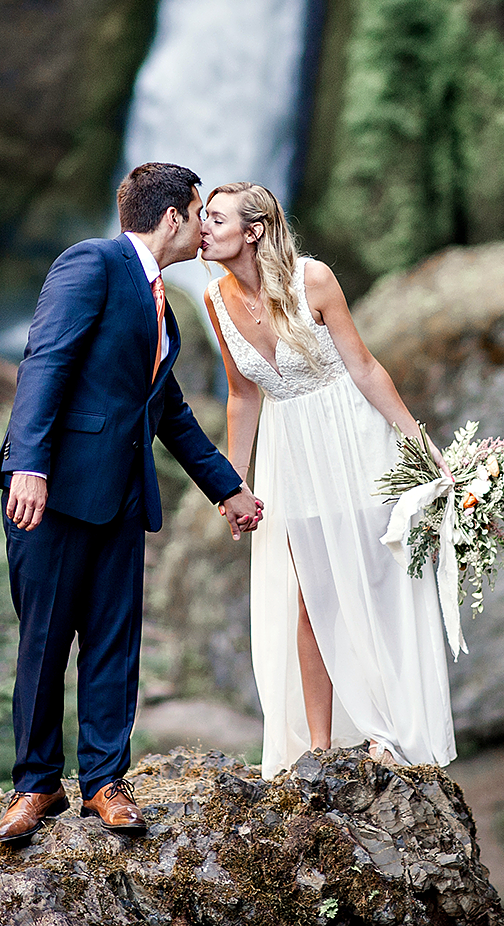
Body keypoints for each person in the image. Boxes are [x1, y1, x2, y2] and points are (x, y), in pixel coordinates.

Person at [0, 162, 265, 844]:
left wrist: (227, 488)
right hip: (49, 494)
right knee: (45, 642)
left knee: (114, 643)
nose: (206, 228)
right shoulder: (93, 263)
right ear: (172, 217)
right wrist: (28, 464)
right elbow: (45, 360)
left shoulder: (160, 298)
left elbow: (166, 409)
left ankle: (106, 782)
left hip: (121, 497)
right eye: (201, 214)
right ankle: (36, 785)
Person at [200, 181, 456, 777]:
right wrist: (232, 485)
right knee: (310, 598)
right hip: (292, 455)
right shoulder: (215, 299)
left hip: (354, 440)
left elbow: (364, 366)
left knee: (372, 583)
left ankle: (387, 731)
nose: (202, 228)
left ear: (254, 229)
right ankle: (318, 748)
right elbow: (242, 397)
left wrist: (419, 443)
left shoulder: (313, 279)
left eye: (215, 219)